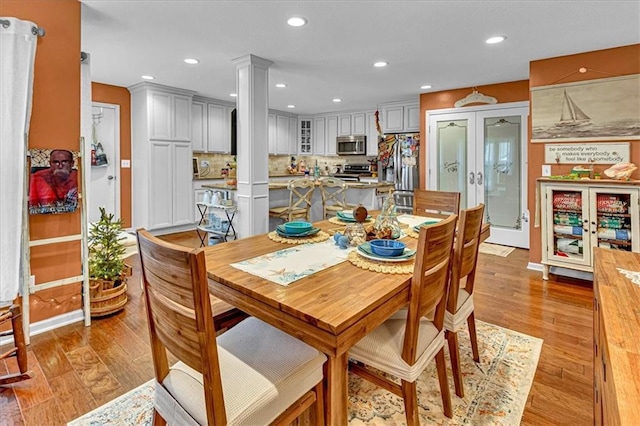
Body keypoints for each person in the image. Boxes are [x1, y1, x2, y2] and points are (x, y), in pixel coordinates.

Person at [29, 149, 78, 214]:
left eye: (64, 162)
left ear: (72, 163)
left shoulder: (79, 177)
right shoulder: (38, 177)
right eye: (56, 162)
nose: (60, 166)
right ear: (50, 164)